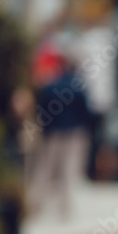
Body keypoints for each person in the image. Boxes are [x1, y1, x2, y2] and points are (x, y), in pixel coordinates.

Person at [28, 55, 92, 220]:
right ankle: (64, 208)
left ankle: (36, 204)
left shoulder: (50, 87)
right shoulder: (79, 88)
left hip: (53, 134)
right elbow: (86, 112)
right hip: (74, 134)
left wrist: (46, 131)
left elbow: (42, 111)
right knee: (68, 171)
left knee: (45, 169)